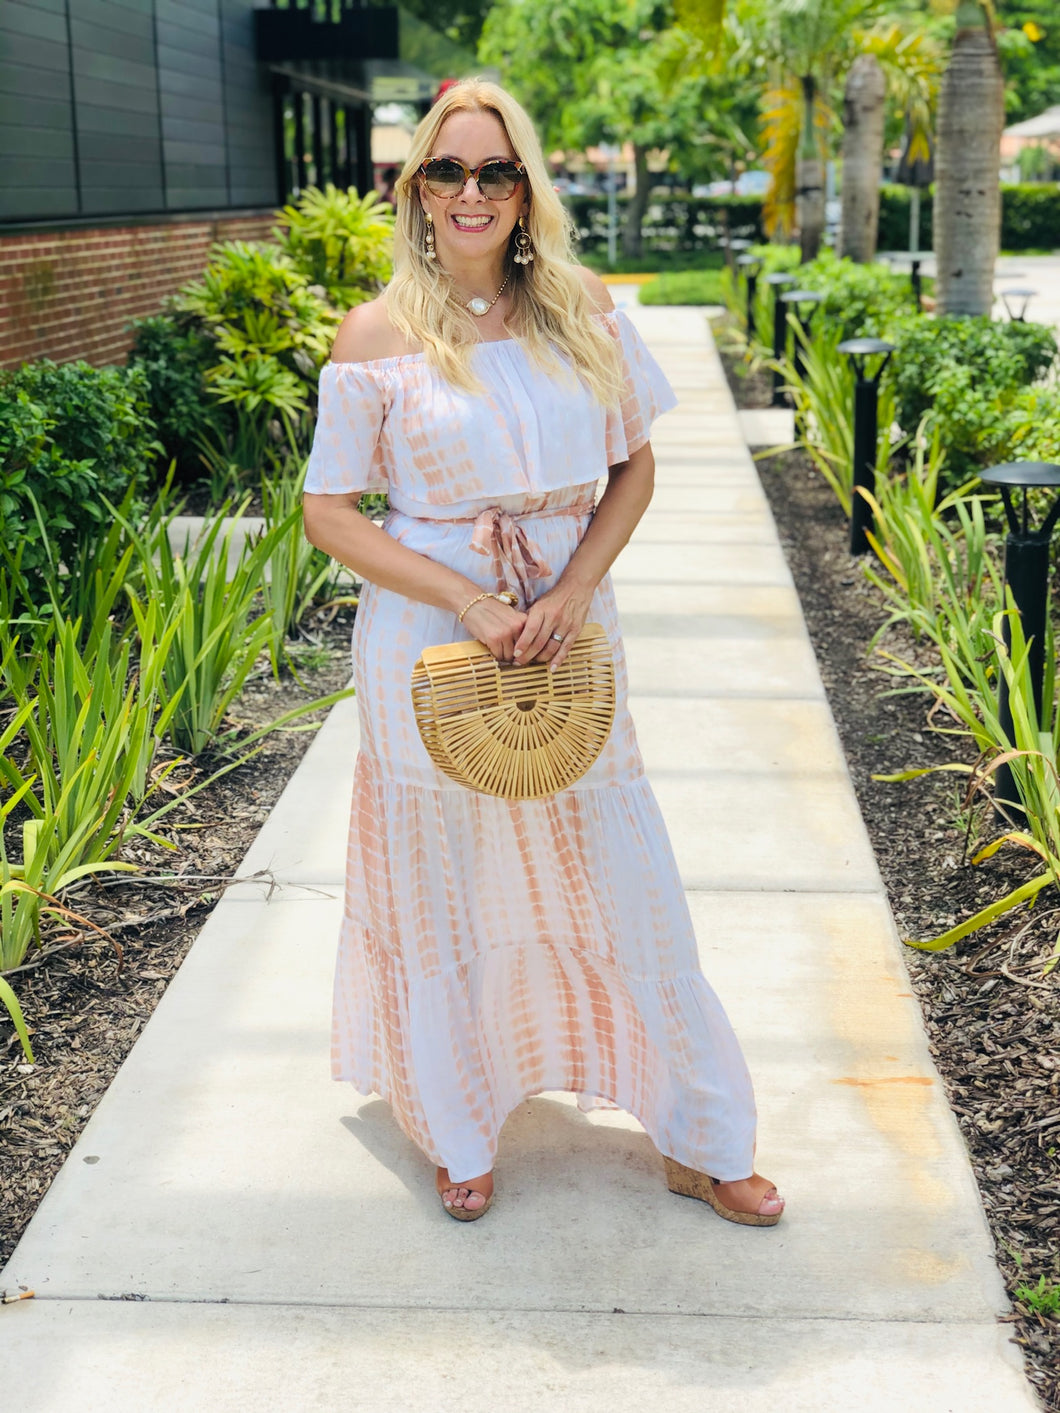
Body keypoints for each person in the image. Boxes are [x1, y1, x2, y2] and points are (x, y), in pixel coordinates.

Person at [302, 78, 785, 1227]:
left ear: (526, 190)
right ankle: (455, 1124)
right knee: (444, 880)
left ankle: (699, 1134)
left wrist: (573, 585)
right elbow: (331, 510)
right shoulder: (377, 334)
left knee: (622, 869)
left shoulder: (582, 308)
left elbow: (633, 467)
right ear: (416, 189)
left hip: (570, 633)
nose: (472, 194)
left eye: (496, 171)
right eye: (448, 171)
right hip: (433, 642)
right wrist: (469, 602)